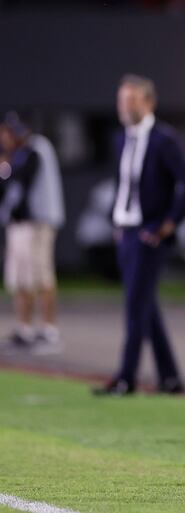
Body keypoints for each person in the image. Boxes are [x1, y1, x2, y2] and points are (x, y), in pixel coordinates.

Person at [93, 74, 185, 396]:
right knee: (145, 307)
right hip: (126, 231)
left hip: (149, 234)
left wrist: (169, 223)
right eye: (122, 100)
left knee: (135, 306)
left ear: (148, 103)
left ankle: (126, 378)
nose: (124, 106)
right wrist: (117, 219)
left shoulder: (163, 139)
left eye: (132, 100)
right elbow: (123, 183)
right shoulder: (121, 138)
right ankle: (170, 378)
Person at [0, 112, 64, 353]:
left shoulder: (34, 150)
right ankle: (24, 329)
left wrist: (4, 169)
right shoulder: (18, 155)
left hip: (37, 224)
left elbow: (19, 181)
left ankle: (49, 330)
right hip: (19, 225)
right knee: (20, 279)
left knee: (41, 276)